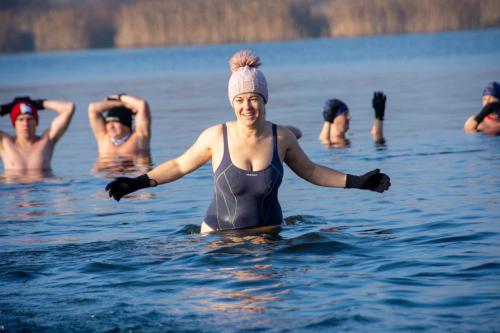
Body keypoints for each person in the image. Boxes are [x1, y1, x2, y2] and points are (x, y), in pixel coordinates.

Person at [105, 50, 390, 233]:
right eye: (240, 100)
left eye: (253, 98)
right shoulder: (216, 136)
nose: (247, 106)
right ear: (232, 103)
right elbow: (179, 165)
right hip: (220, 243)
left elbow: (312, 171)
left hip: (271, 241)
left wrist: (356, 182)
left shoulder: (281, 137)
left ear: (264, 99)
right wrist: (137, 182)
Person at [0, 96, 75, 173]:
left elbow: (68, 107)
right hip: (13, 185)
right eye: (21, 119)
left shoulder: (47, 141)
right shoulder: (4, 142)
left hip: (44, 184)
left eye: (29, 119)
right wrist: (7, 108)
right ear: (14, 124)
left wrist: (40, 104)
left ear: (36, 122)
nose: (25, 124)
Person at [88, 93, 152, 173]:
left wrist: (119, 97)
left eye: (115, 121)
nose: (111, 126)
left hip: (134, 179)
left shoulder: (140, 137)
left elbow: (142, 104)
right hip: (106, 180)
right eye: (108, 122)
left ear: (126, 124)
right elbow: (93, 108)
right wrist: (123, 104)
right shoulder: (103, 137)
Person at [318, 92, 387, 147]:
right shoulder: (327, 143)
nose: (349, 117)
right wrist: (327, 121)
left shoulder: (350, 141)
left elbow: (377, 137)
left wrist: (379, 117)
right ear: (333, 117)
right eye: (345, 114)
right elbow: (325, 142)